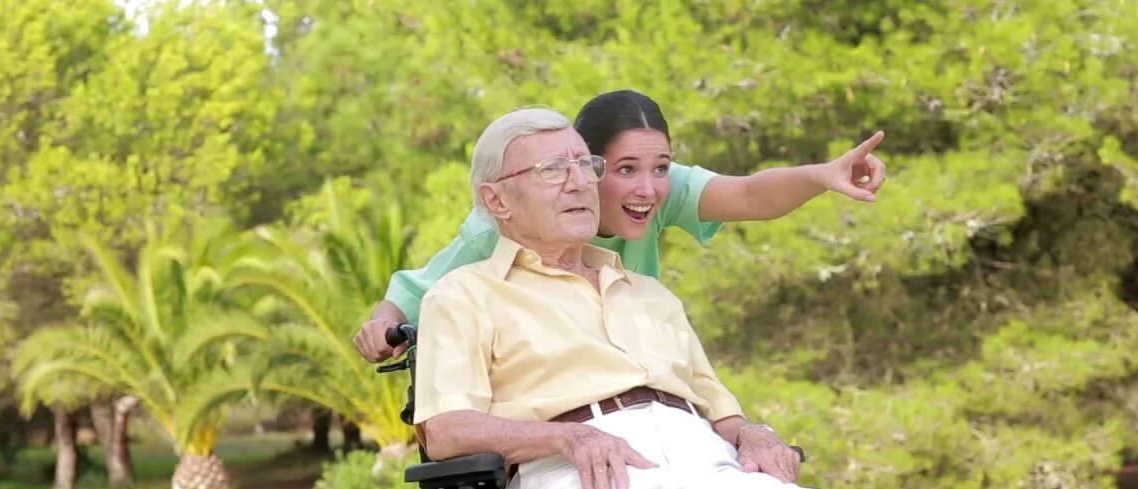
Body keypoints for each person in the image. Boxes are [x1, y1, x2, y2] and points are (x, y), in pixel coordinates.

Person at [413, 107, 919, 489]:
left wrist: (754, 434)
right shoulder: (465, 294)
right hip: (574, 478)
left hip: (699, 465)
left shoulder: (649, 294)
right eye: (552, 169)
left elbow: (720, 412)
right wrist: (565, 438)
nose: (579, 181)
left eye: (584, 163)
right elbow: (444, 429)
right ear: (497, 199)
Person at [353, 89, 886, 362]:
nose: (648, 190)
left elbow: (749, 193)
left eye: (660, 168)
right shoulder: (505, 221)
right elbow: (414, 290)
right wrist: (381, 324)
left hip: (631, 362)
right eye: (626, 170)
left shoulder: (657, 190)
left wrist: (824, 174)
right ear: (589, 164)